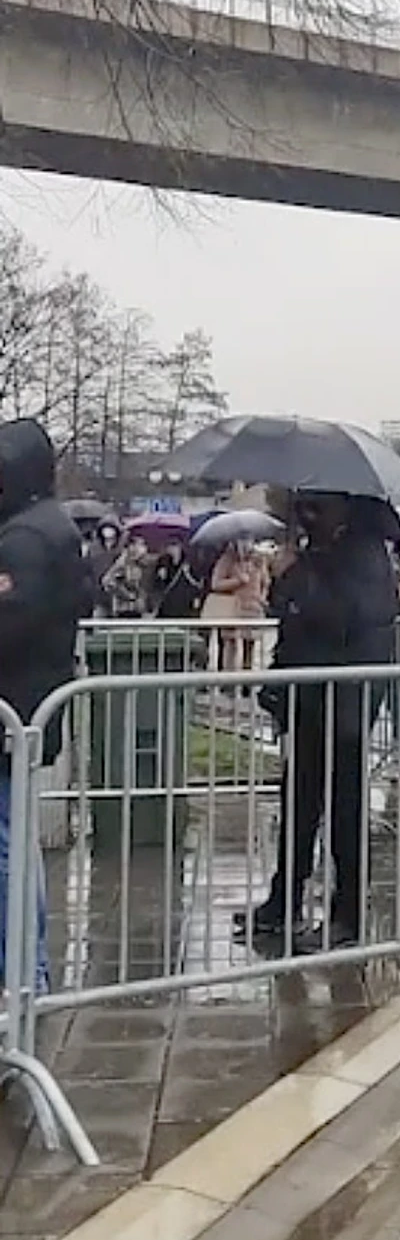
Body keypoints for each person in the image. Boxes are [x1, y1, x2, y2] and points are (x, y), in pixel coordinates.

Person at [237, 493, 397, 949]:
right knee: (299, 802)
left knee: (345, 810)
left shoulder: (364, 555)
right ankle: (283, 900)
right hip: (310, 695)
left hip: (344, 700)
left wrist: (297, 573)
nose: (308, 515)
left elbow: (340, 616)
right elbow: (292, 612)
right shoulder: (324, 551)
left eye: (317, 507)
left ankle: (347, 914)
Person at [0, 418, 92, 992]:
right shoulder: (46, 528)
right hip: (28, 708)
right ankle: (25, 975)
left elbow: (9, 622)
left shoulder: (25, 540)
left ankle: (23, 977)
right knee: (14, 843)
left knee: (8, 849)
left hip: (13, 710)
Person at [204, 540, 270, 670]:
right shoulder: (227, 560)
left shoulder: (259, 559)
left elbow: (265, 582)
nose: (246, 544)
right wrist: (237, 581)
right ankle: (228, 676)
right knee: (231, 644)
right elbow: (216, 584)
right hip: (232, 608)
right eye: (242, 540)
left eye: (249, 539)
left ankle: (247, 677)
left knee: (250, 646)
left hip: (252, 608)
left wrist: (262, 597)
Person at [154, 540, 205, 620]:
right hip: (166, 609)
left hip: (184, 608)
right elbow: (157, 587)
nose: (171, 549)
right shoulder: (163, 563)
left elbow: (198, 585)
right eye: (169, 546)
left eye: (174, 546)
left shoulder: (190, 566)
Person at [101, 534, 149, 618]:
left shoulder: (144, 563)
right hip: (123, 609)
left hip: (141, 609)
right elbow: (107, 581)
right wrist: (125, 594)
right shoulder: (122, 562)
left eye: (143, 545)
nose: (142, 549)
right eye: (139, 544)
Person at [88, 519, 121, 615]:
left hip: (119, 595)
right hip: (99, 594)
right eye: (105, 528)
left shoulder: (122, 548)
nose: (108, 531)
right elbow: (89, 568)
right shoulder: (94, 549)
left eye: (111, 528)